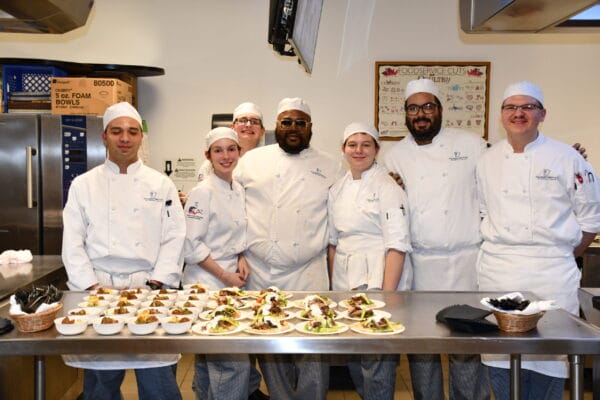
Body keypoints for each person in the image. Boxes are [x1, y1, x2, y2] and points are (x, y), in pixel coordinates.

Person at [476, 81, 600, 400]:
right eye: (511, 107)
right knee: (500, 359)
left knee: (550, 359)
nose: (519, 113)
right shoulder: (486, 160)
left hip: (552, 275)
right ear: (501, 115)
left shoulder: (567, 158)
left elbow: (591, 216)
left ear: (542, 114)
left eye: (528, 107)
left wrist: (561, 256)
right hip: (499, 272)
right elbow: (482, 210)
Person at [61, 101, 186, 400]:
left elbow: (175, 237)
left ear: (141, 137)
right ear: (104, 136)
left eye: (132, 131)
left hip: (149, 291)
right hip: (99, 291)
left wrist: (157, 282)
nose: (125, 138)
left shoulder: (161, 184)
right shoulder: (83, 185)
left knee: (159, 383)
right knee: (101, 386)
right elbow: (73, 242)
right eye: (117, 131)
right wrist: (91, 286)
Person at [382, 78, 490, 400]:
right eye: (413, 108)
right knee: (424, 348)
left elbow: (503, 171)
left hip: (465, 263)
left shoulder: (472, 145)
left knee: (466, 345)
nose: (421, 114)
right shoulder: (393, 155)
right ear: (405, 114)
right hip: (420, 264)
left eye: (427, 106)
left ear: (440, 109)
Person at [235, 97, 343, 400]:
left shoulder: (331, 166)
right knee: (271, 346)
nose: (293, 128)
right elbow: (233, 209)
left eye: (300, 122)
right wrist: (239, 253)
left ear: (311, 128)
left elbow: (347, 208)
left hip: (308, 272)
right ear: (275, 126)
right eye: (286, 122)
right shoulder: (251, 162)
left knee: (313, 347)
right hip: (259, 271)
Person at [327, 122, 411, 400]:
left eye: (366, 144)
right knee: (354, 354)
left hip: (378, 280)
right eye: (352, 144)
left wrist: (388, 295)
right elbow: (332, 242)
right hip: (345, 279)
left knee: (376, 358)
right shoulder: (337, 189)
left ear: (377, 149)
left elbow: (397, 245)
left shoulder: (388, 187)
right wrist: (333, 288)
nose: (359, 150)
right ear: (343, 149)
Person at [182, 127, 253, 400]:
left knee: (209, 361)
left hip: (230, 281)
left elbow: (235, 232)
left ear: (240, 152)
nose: (226, 156)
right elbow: (191, 245)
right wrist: (224, 274)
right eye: (218, 150)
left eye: (231, 149)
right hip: (206, 282)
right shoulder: (203, 192)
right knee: (232, 364)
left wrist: (241, 256)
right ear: (208, 156)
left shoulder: (238, 189)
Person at [179, 102, 266, 205]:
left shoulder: (268, 163)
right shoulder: (209, 165)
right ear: (232, 127)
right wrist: (189, 200)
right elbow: (204, 197)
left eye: (254, 121)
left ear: (262, 131)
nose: (248, 125)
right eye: (242, 120)